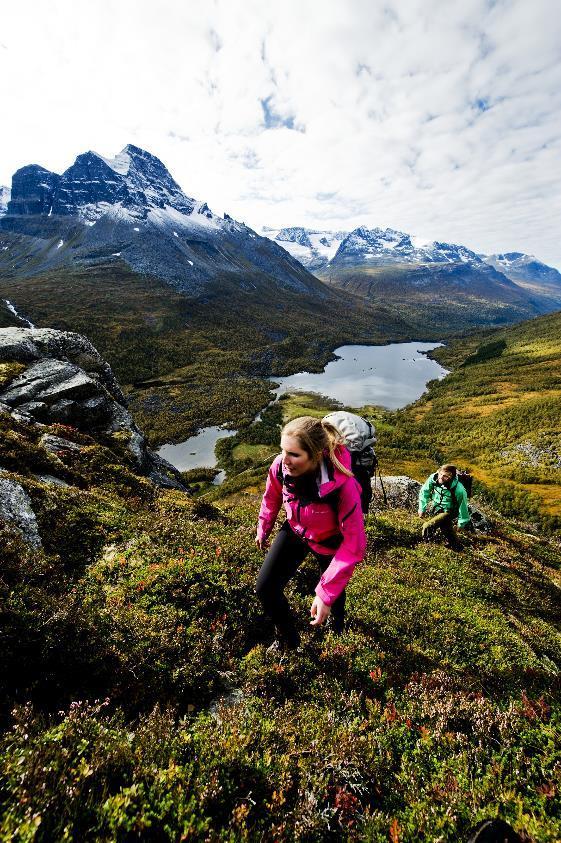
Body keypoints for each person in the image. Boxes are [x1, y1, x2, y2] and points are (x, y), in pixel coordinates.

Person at [255, 416, 367, 651]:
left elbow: (354, 544)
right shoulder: (280, 466)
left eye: (294, 455)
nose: (285, 460)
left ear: (316, 455)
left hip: (330, 541)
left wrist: (325, 594)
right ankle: (288, 640)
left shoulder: (343, 487)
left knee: (334, 595)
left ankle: (336, 629)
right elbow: (272, 496)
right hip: (296, 529)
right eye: (283, 450)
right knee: (265, 588)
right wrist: (264, 527)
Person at [418, 463, 472, 550]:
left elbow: (463, 506)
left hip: (450, 510)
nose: (441, 478)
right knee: (446, 528)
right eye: (440, 474)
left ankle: (428, 546)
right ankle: (457, 547)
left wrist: (461, 524)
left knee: (428, 526)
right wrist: (422, 508)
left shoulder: (459, 489)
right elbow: (424, 492)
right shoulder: (433, 478)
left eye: (445, 476)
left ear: (451, 477)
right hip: (437, 507)